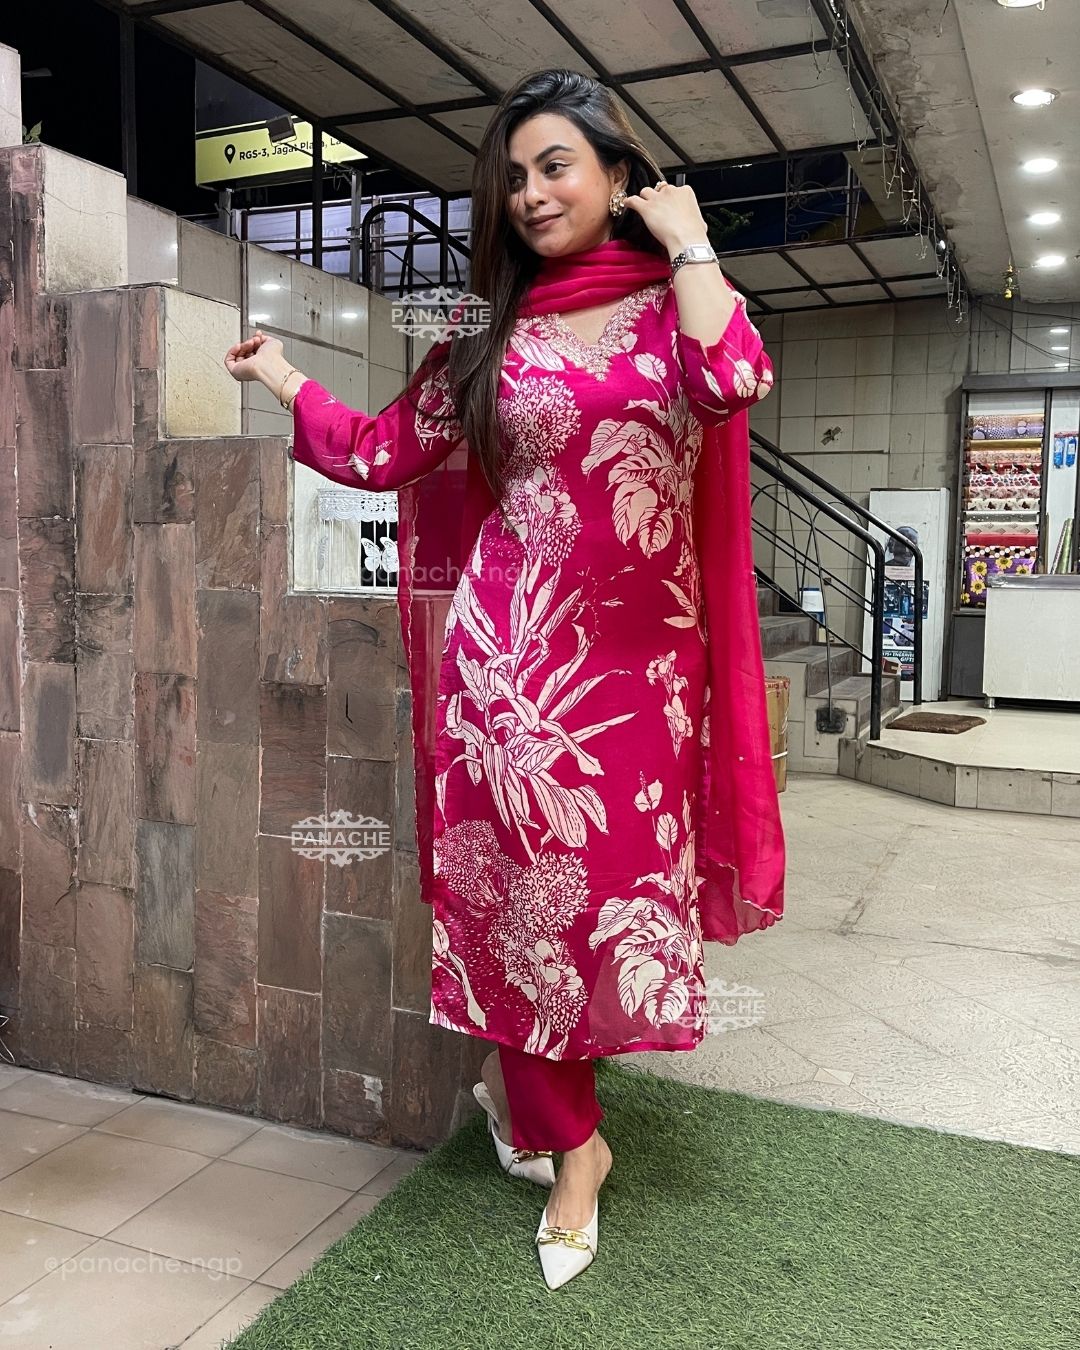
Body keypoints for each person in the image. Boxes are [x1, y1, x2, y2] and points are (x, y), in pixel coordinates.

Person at [225, 67, 785, 1291]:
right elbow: (381, 453)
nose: (530, 193)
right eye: (514, 177)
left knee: (607, 904)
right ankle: (575, 1150)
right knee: (521, 911)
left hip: (643, 676)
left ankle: (510, 1082)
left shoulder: (679, 305)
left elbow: (731, 383)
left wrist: (691, 241)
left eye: (556, 166)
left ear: (618, 176)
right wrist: (282, 378)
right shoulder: (487, 334)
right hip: (509, 672)